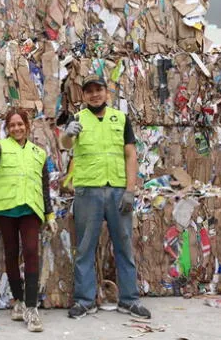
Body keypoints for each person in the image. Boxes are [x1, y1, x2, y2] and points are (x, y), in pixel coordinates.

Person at [60, 75, 151, 320]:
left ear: (105, 92)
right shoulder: (78, 119)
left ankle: (129, 300)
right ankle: (85, 301)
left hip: (117, 191)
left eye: (98, 89)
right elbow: (66, 144)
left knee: (123, 246)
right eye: (89, 91)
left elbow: (131, 155)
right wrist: (68, 133)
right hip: (87, 190)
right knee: (86, 248)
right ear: (84, 95)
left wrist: (130, 190)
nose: (94, 94)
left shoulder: (120, 119)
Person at [0, 108, 57, 332]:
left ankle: (31, 308)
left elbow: (44, 186)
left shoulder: (39, 153)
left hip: (31, 209)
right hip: (6, 208)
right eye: (12, 125)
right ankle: (19, 301)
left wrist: (49, 214)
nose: (16, 128)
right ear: (7, 128)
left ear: (27, 126)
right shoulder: (1, 148)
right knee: (11, 253)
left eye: (20, 124)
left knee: (31, 251)